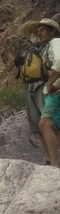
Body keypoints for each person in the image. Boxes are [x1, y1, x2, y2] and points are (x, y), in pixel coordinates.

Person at [22, 18, 60, 167]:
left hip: (51, 89)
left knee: (46, 124)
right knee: (46, 124)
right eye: (38, 32)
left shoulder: (54, 43)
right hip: (41, 88)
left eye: (42, 30)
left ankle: (54, 162)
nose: (39, 34)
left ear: (52, 31)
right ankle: (52, 160)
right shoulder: (41, 48)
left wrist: (50, 83)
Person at [16, 20, 49, 155]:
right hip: (29, 88)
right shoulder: (30, 51)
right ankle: (48, 156)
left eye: (40, 31)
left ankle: (54, 155)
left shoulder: (49, 47)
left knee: (48, 121)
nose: (36, 34)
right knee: (37, 124)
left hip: (43, 86)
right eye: (35, 32)